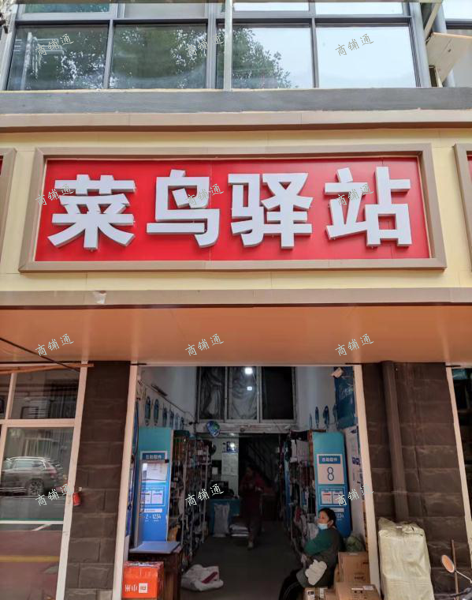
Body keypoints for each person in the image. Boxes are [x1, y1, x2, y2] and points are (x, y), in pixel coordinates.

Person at [278, 508, 345, 600]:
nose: (319, 520)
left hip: (320, 574)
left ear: (331, 522)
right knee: (293, 574)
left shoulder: (328, 534)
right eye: (319, 517)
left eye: (323, 518)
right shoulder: (335, 533)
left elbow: (308, 548)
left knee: (289, 584)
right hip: (322, 569)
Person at [239, 464, 266, 550]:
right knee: (247, 522)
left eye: (249, 471)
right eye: (246, 471)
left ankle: (251, 540)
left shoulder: (257, 479)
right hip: (246, 504)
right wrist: (244, 487)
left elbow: (262, 489)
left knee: (254, 523)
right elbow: (240, 489)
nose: (247, 473)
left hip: (254, 504)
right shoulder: (245, 479)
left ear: (253, 471)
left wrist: (256, 488)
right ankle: (251, 535)